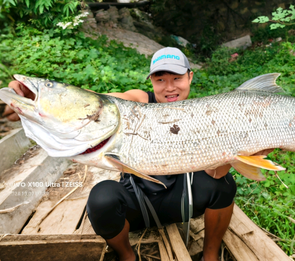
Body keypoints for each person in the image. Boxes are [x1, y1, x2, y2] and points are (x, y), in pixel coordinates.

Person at [3, 47, 271, 261]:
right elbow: (103, 100)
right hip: (139, 205)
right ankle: (127, 256)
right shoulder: (138, 101)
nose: (169, 87)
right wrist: (40, 100)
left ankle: (210, 255)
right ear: (151, 80)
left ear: (190, 77)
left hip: (183, 200)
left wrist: (240, 153)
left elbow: (215, 172)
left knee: (223, 184)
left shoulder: (209, 114)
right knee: (101, 198)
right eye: (160, 79)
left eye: (177, 78)